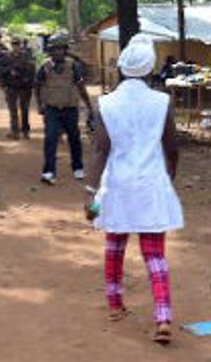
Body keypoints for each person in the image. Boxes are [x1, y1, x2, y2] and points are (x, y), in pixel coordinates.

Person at [82, 35, 183, 343]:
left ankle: (115, 304)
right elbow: (173, 147)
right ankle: (163, 316)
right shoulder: (162, 102)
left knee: (115, 245)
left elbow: (100, 151)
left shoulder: (107, 103)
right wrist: (169, 178)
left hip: (117, 184)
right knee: (155, 254)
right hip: (151, 183)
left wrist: (90, 191)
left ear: (122, 68)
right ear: (150, 69)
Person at [35, 33, 93, 184]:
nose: (58, 52)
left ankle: (78, 167)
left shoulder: (74, 65)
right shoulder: (45, 66)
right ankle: (49, 171)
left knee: (74, 138)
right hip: (52, 109)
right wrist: (40, 104)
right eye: (55, 49)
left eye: (61, 49)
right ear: (50, 51)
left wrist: (88, 105)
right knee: (50, 139)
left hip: (70, 108)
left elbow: (81, 86)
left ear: (65, 50)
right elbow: (38, 85)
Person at [3, 37, 36, 140]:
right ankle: (15, 131)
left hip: (24, 87)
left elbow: (32, 70)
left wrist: (26, 77)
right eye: (13, 44)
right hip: (11, 87)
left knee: (24, 110)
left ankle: (25, 131)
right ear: (11, 45)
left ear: (20, 45)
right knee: (13, 110)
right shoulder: (6, 57)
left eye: (17, 44)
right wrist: (9, 71)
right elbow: (0, 71)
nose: (15, 46)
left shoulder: (26, 56)